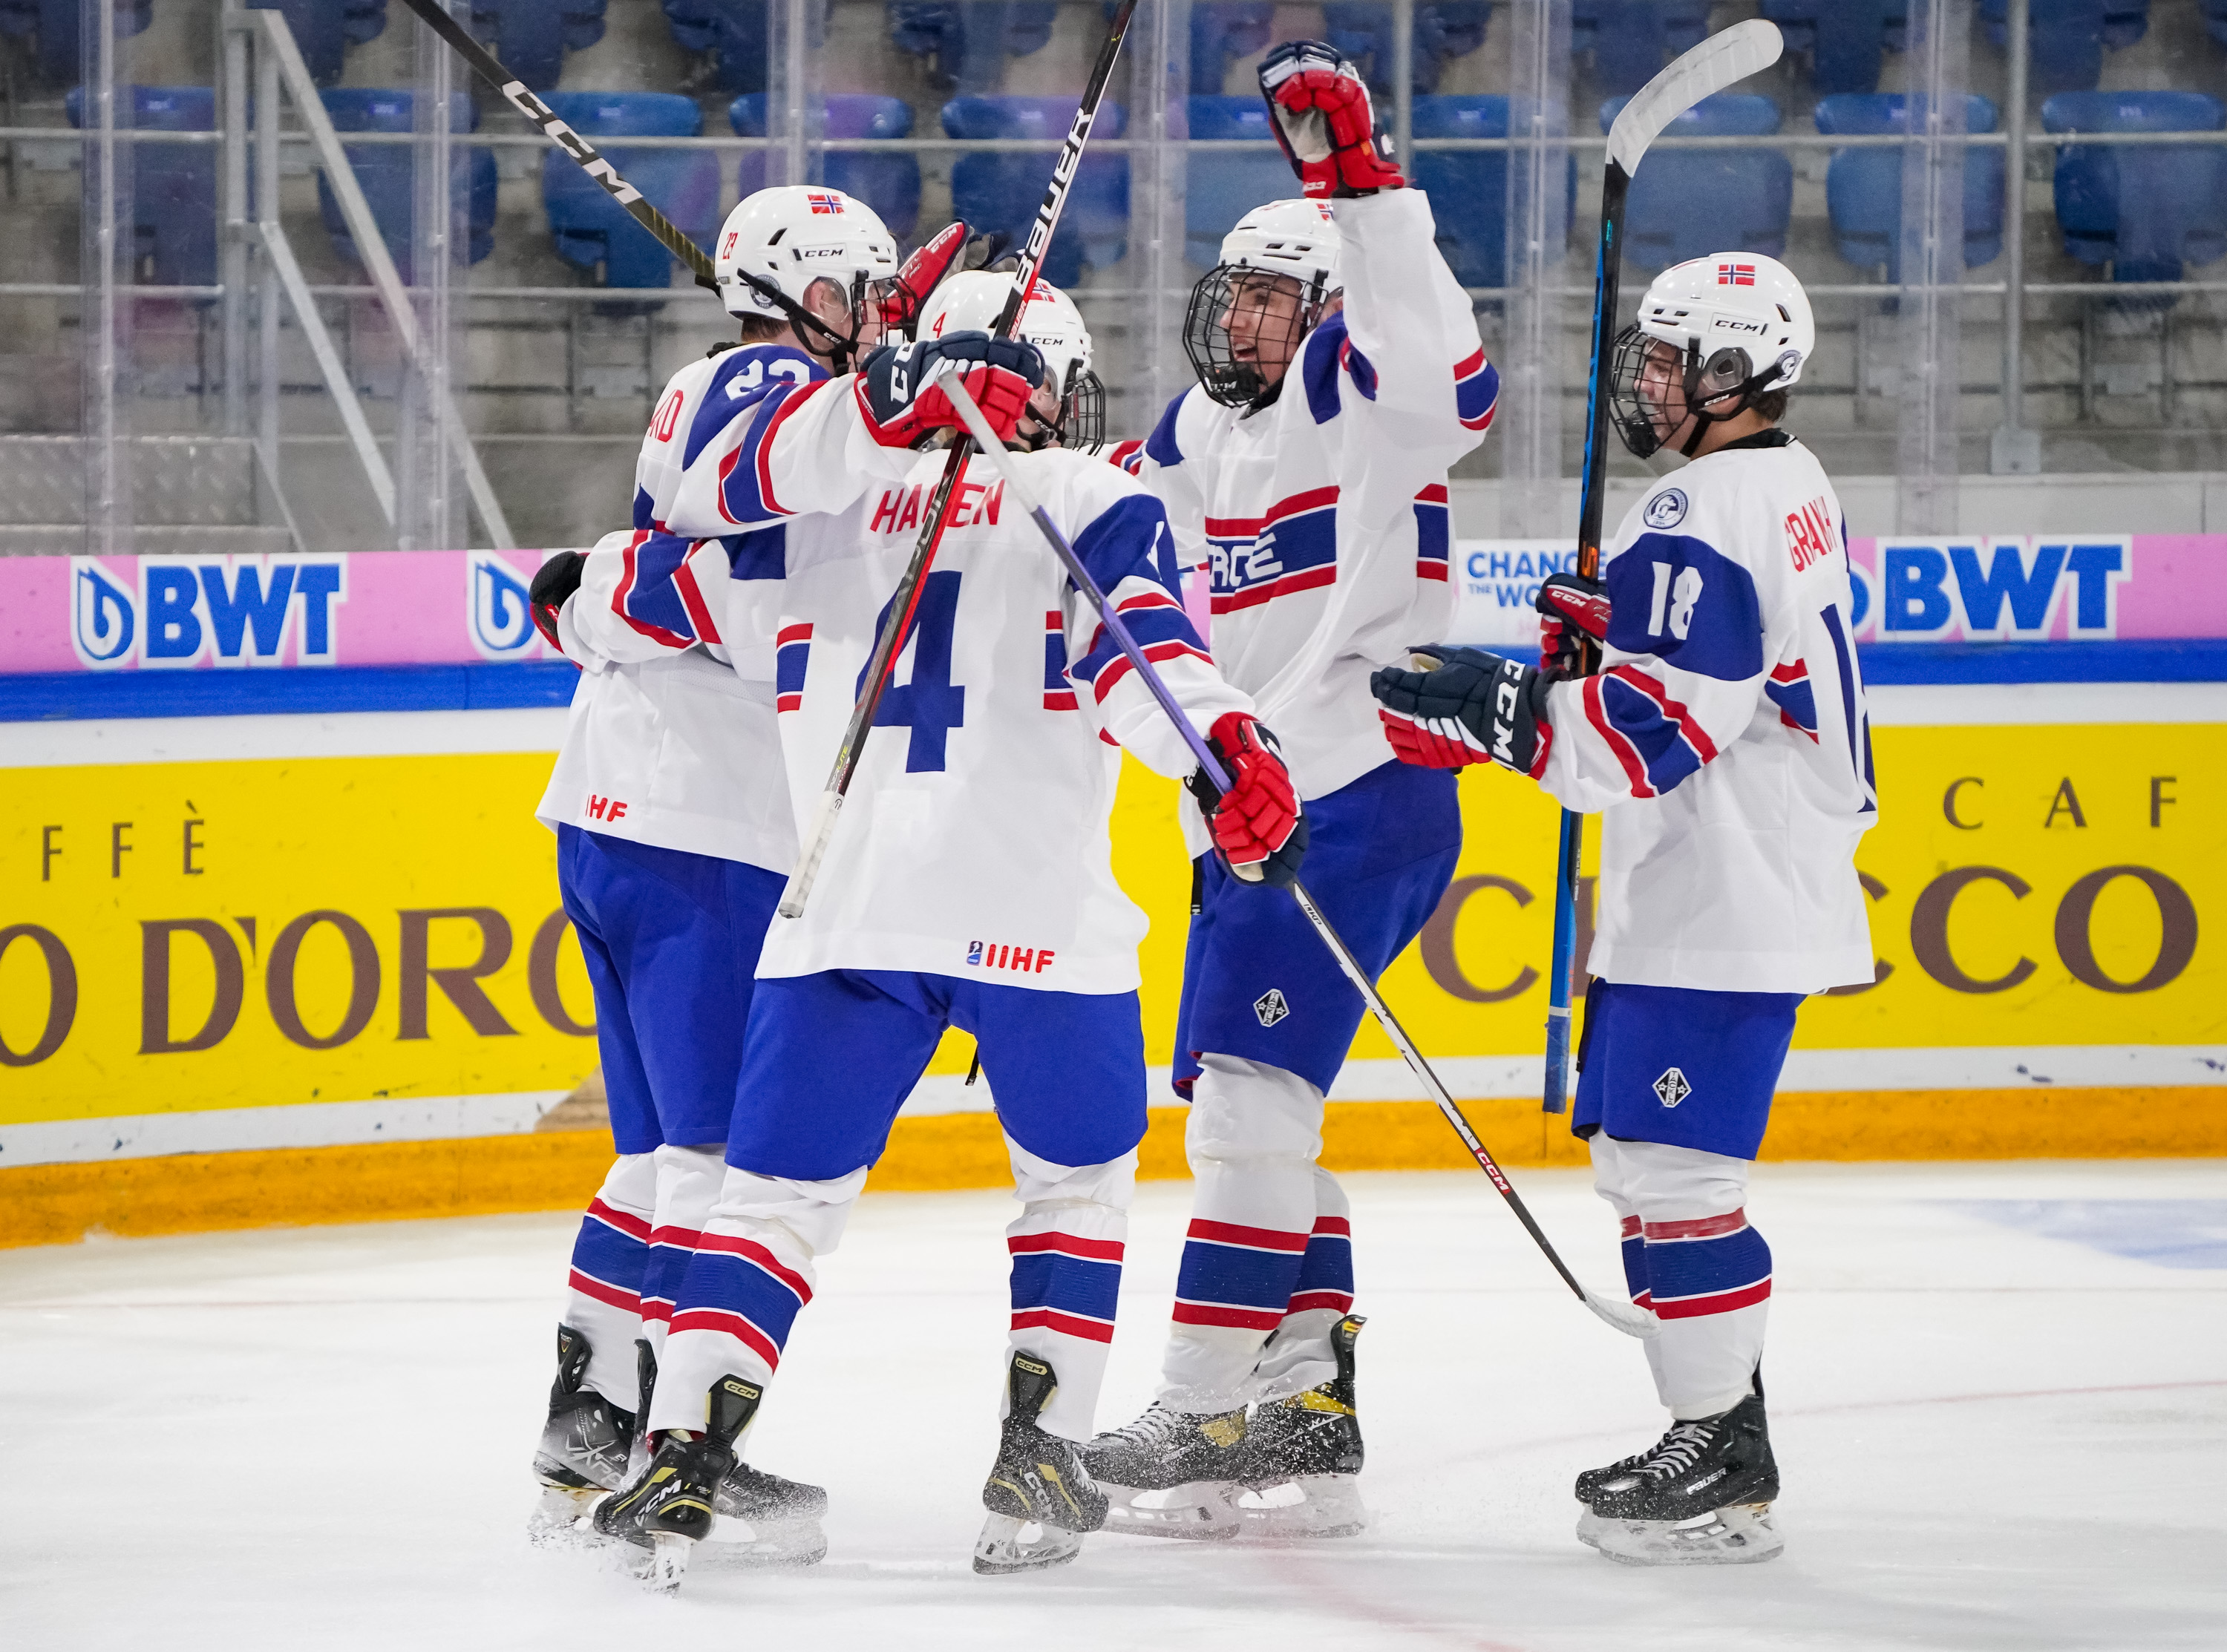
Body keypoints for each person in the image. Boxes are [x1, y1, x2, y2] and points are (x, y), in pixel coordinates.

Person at [564, 271, 1309, 1585]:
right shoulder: (1094, 495)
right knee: (1073, 1185)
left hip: (848, 907)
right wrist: (1226, 753)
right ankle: (1040, 1450)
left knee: (774, 1203)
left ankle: (675, 1451)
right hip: (1036, 916)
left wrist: (569, 594)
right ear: (1060, 393)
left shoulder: (827, 504)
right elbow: (1149, 656)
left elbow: (653, 576)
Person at [1370, 252, 1874, 1567]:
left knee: (1676, 1175)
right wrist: (1619, 635)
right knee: (1652, 1173)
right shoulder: (1784, 482)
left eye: (1670, 360)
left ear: (1733, 377)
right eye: (1644, 353)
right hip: (1732, 876)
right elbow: (1716, 665)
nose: (1642, 380)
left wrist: (1504, 711)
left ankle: (1717, 1448)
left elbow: (1652, 738)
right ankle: (1727, 1427)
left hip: (1723, 885)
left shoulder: (1699, 506)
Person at [524, 184, 978, 1566]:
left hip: (612, 816)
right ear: (801, 295)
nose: (876, 318)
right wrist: (887, 384)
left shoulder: (740, 386)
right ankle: (673, 1454)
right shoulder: (774, 388)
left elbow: (671, 571)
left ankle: (588, 1417)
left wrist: (608, 586)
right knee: (715, 1163)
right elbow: (764, 494)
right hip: (699, 835)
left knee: (657, 1152)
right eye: (862, 295)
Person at [1084, 39, 1496, 1542]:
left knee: (1250, 1120)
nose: (1243, 316)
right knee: (1266, 1116)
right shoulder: (1214, 427)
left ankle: (1198, 1413)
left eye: (1273, 292)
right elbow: (1101, 517)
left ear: (1324, 311)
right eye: (1238, 291)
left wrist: (1370, 198)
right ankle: (1307, 1409)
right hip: (1254, 811)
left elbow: (1451, 372)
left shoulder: (1365, 392)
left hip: (1361, 794)